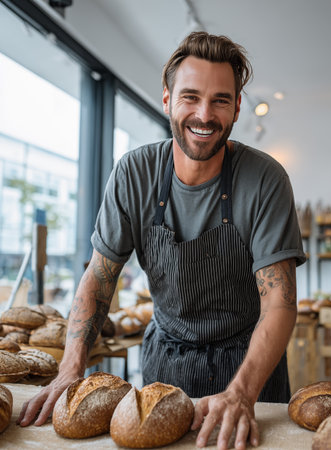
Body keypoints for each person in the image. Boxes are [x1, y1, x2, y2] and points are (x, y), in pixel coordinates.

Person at [18, 31, 306, 449]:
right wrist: (69, 369)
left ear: (237, 107)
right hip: (164, 370)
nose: (204, 115)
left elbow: (279, 302)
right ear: (168, 99)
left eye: (220, 100)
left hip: (250, 368)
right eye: (190, 96)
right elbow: (98, 279)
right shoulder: (133, 173)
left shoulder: (264, 179)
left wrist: (242, 393)